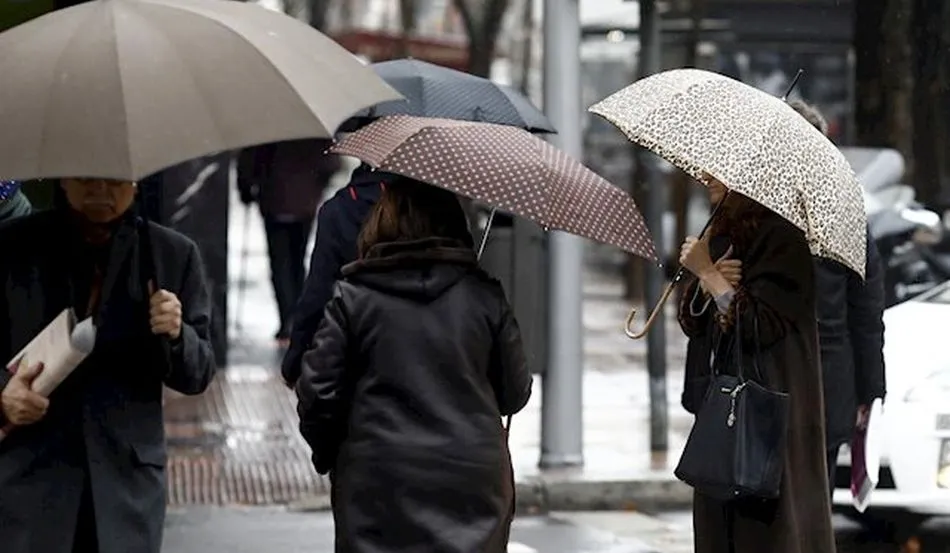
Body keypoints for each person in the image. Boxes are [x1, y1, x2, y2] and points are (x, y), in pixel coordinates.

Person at [295, 178, 532, 552]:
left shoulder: (354, 299)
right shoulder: (484, 296)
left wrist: (334, 455)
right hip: (472, 479)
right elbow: (514, 394)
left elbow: (317, 393)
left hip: (377, 480)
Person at [0, 177, 216, 553]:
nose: (100, 189)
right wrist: (3, 394)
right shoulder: (13, 247)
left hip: (125, 489)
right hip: (30, 484)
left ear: (135, 183)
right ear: (64, 179)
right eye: (87, 177)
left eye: (114, 180)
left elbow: (197, 373)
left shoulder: (170, 254)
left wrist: (177, 333)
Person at [677, 176, 836, 553]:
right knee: (721, 522)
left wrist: (710, 276)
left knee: (765, 531)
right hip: (724, 408)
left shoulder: (782, 239)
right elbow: (696, 324)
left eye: (719, 175)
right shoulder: (720, 234)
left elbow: (760, 325)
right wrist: (705, 283)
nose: (708, 179)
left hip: (768, 412)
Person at [788, 100, 886, 492]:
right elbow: (866, 315)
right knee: (813, 511)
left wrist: (870, 392)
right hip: (827, 391)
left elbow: (865, 314)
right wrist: (870, 392)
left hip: (781, 389)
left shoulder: (751, 218)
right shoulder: (844, 216)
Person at [280, 163, 402, 387]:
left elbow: (319, 290)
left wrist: (296, 357)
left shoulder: (342, 209)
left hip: (360, 358)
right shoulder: (436, 207)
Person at [237, 139, 342, 344]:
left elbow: (248, 161)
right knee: (298, 260)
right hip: (305, 201)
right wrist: (315, 183)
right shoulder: (316, 132)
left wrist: (247, 188)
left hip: (273, 199)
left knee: (280, 263)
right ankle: (298, 318)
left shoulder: (269, 128)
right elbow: (332, 164)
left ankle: (287, 320)